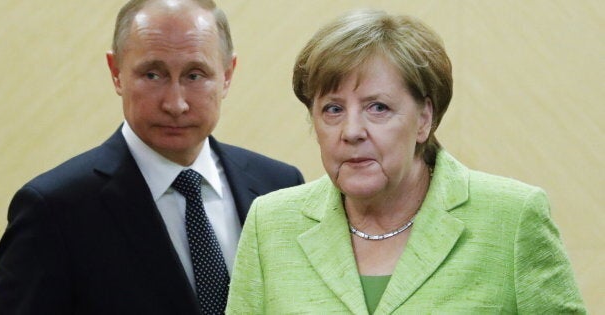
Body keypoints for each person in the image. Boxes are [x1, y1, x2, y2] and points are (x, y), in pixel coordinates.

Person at [226, 9, 585, 314]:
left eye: (377, 107)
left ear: (424, 118)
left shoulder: (513, 218)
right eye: (333, 109)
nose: (351, 131)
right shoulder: (271, 224)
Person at [0, 0, 304, 314]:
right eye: (153, 74)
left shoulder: (279, 187)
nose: (175, 103)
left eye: (195, 75)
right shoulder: (54, 209)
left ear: (227, 75)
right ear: (116, 73)